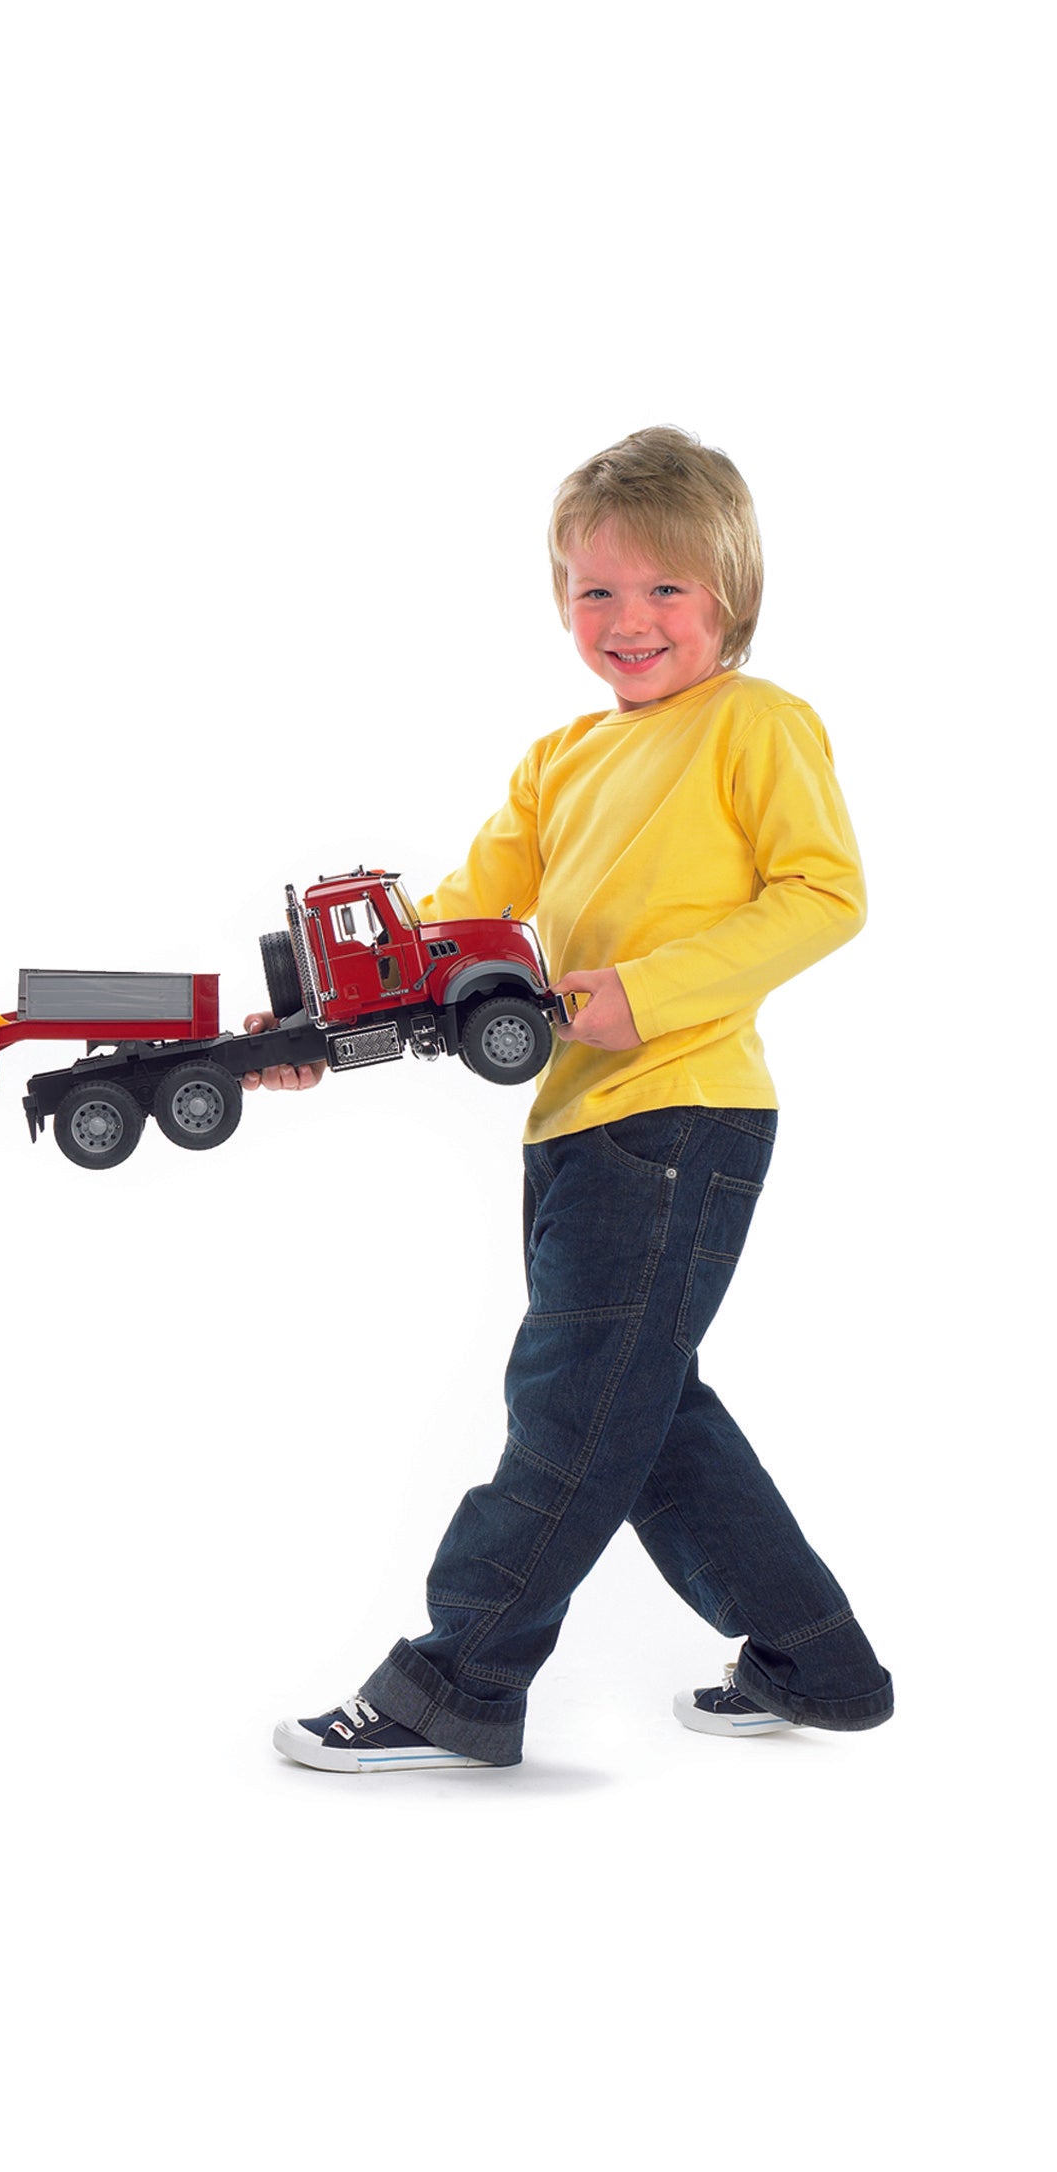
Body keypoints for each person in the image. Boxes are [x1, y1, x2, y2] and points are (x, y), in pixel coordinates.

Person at [261, 426, 894, 1773]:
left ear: (731, 593)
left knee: (571, 1408)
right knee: (641, 1416)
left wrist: (649, 991)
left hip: (681, 1115)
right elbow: (452, 924)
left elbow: (825, 895)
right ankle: (820, 1662)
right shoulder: (557, 761)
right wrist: (319, 1024)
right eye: (595, 590)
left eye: (664, 588)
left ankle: (458, 1681)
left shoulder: (757, 725)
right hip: (574, 1126)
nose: (627, 619)